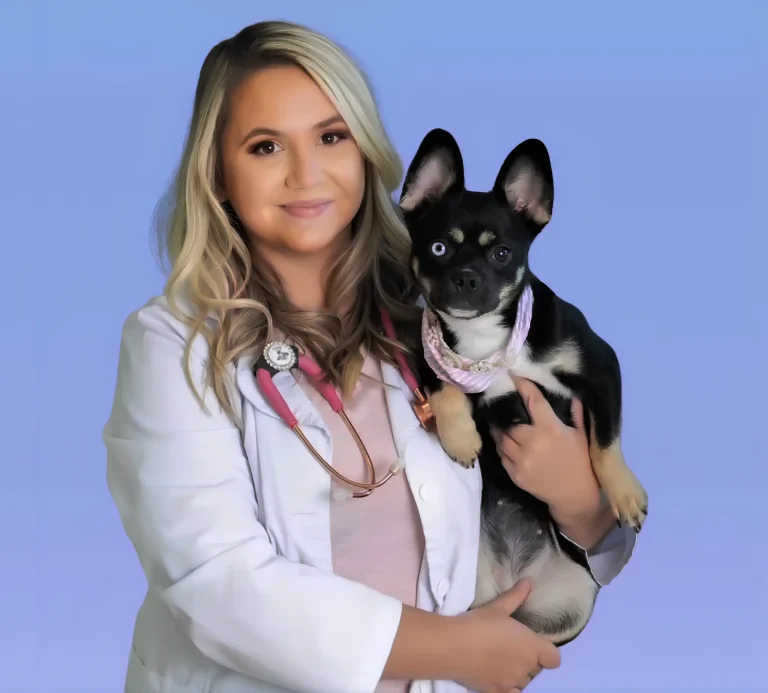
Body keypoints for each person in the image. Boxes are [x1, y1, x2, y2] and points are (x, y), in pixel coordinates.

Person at [103, 19, 638, 693]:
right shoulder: (172, 346)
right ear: (217, 175)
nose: (306, 173)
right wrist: (456, 649)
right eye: (266, 146)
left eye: (331, 137)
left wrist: (583, 504)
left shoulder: (436, 324)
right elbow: (215, 585)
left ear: (365, 153)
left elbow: (592, 546)